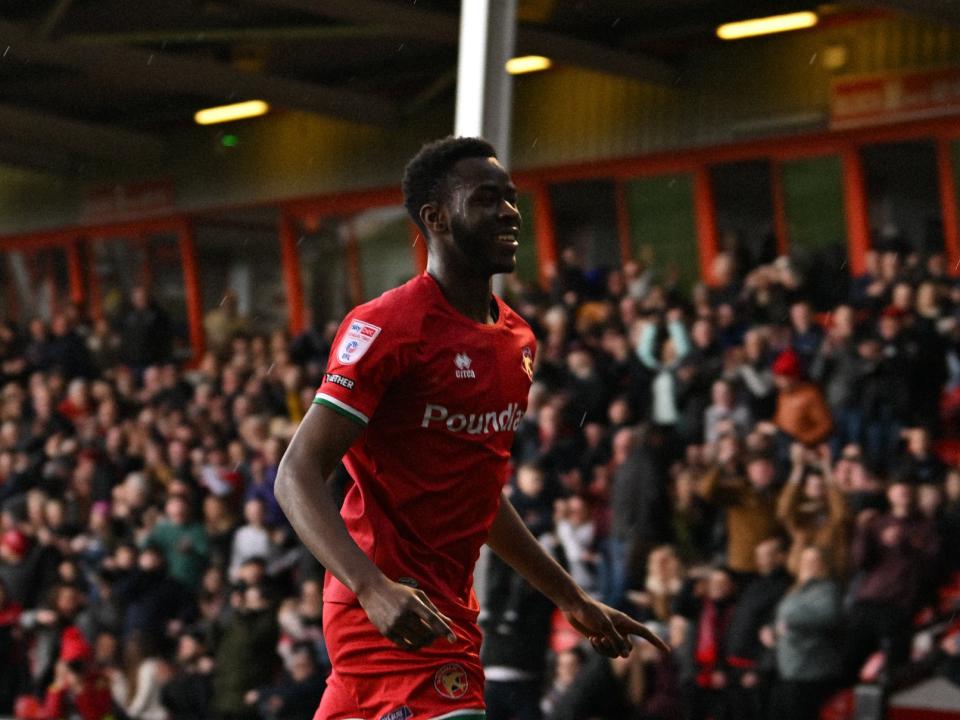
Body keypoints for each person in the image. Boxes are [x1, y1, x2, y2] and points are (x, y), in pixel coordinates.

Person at [275, 137, 667, 720]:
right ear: (435, 218)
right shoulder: (387, 327)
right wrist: (372, 587)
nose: (510, 212)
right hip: (390, 606)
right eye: (487, 200)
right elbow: (296, 473)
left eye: (510, 198)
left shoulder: (518, 343)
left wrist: (572, 598)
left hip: (448, 610)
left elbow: (478, 496)